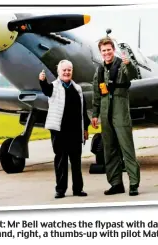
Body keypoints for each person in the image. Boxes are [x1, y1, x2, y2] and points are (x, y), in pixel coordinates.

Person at [91, 37, 141, 196]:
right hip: (105, 112)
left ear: (113, 50)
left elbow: (132, 74)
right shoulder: (99, 71)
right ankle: (116, 183)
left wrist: (128, 64)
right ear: (100, 52)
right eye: (103, 51)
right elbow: (96, 94)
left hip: (120, 110)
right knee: (109, 149)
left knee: (127, 148)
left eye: (109, 50)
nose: (106, 53)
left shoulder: (122, 66)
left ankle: (134, 183)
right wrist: (95, 114)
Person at [40, 60, 90, 199]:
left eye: (69, 70)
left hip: (75, 131)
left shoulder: (77, 89)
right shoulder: (54, 87)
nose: (67, 72)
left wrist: (85, 128)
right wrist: (42, 81)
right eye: (64, 70)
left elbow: (83, 111)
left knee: (76, 161)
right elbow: (46, 90)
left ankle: (78, 189)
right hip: (59, 131)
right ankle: (60, 189)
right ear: (59, 72)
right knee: (61, 160)